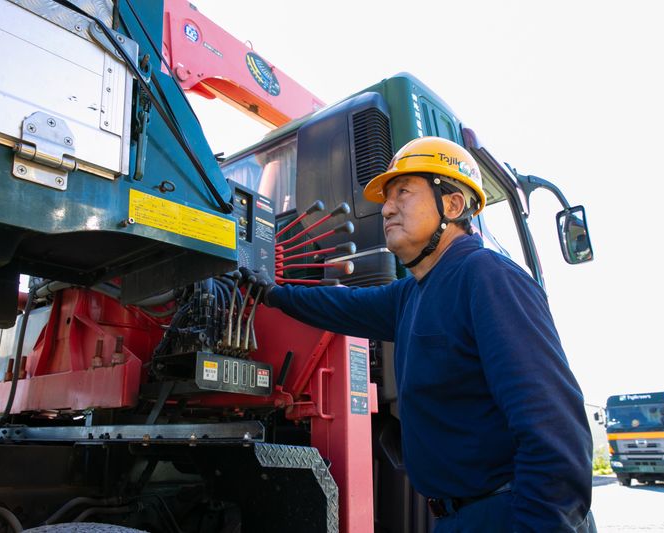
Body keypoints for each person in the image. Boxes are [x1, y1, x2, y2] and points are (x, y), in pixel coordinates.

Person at [245, 137, 595, 532]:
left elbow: (556, 436)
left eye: (403, 193)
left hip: (509, 513)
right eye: (386, 198)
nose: (387, 208)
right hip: (458, 516)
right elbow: (341, 306)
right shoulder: (412, 292)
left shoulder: (487, 278)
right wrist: (272, 294)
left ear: (452, 205)